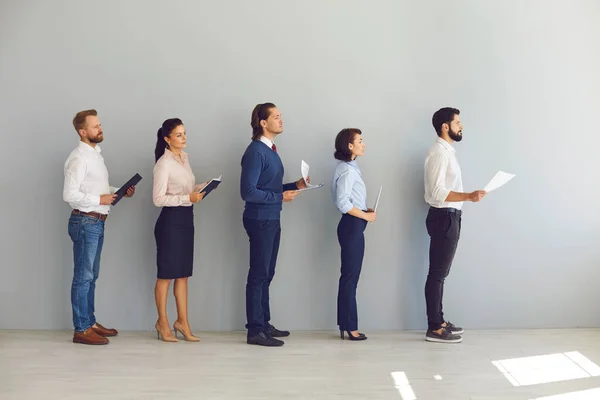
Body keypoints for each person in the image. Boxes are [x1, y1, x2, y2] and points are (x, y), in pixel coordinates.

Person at [63, 109, 135, 345]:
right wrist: (100, 200)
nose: (100, 128)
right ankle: (81, 329)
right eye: (95, 126)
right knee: (83, 277)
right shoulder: (78, 158)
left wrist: (117, 192)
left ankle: (90, 322)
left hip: (96, 221)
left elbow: (95, 188)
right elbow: (69, 194)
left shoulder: (96, 155)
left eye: (100, 124)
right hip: (85, 221)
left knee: (91, 276)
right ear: (82, 132)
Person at [240, 102, 308, 346]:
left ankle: (264, 324)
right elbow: (247, 192)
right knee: (258, 275)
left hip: (271, 217)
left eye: (281, 116)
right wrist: (281, 197)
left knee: (267, 273)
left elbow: (267, 187)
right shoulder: (256, 151)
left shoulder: (270, 150)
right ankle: (255, 330)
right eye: (276, 117)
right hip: (260, 219)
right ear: (263, 123)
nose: (281, 120)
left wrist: (294, 186)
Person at [423, 107, 486, 343]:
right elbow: (437, 191)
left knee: (441, 273)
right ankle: (435, 327)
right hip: (443, 216)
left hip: (449, 216)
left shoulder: (447, 152)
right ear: (445, 126)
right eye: (457, 122)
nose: (461, 126)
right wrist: (468, 196)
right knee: (437, 274)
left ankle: (438, 320)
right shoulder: (439, 153)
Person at [331, 128, 376, 341]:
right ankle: (350, 327)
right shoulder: (348, 171)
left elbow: (351, 200)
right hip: (352, 226)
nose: (364, 143)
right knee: (350, 278)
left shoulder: (349, 167)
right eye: (360, 140)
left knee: (349, 277)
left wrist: (364, 210)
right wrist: (365, 216)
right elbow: (342, 203)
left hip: (353, 224)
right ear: (350, 146)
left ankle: (346, 324)